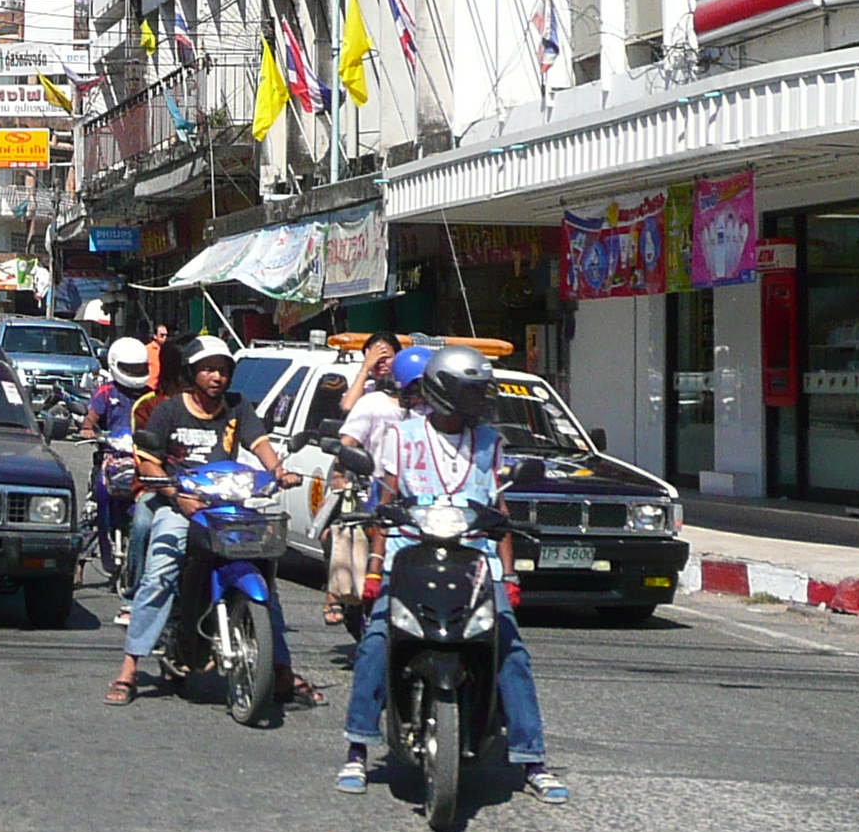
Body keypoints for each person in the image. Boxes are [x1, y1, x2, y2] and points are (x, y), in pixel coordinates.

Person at [336, 345, 568, 803]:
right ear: (444, 393)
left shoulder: (490, 442)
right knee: (377, 640)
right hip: (409, 557)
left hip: (474, 561)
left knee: (510, 649)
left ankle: (532, 759)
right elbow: (385, 504)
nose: (480, 402)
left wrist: (509, 575)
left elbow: (499, 510)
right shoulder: (402, 437)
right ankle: (358, 747)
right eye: (472, 393)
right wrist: (375, 570)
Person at [107, 335, 313, 707]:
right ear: (192, 373)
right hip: (180, 504)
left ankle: (280, 669)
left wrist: (278, 471)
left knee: (264, 572)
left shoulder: (237, 407)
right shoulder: (169, 410)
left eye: (223, 370)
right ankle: (129, 669)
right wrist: (173, 494)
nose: (217, 377)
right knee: (161, 573)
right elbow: (148, 460)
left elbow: (260, 442)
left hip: (227, 507)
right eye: (208, 369)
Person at [322, 332, 404, 625]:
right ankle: (338, 594)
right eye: (374, 357)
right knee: (337, 534)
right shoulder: (370, 396)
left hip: (415, 490)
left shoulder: (422, 399)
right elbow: (347, 413)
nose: (382, 363)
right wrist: (365, 367)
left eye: (387, 356)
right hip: (370, 483)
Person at [87, 336, 152, 612]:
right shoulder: (105, 393)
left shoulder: (151, 395)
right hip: (109, 461)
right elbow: (89, 420)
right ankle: (82, 559)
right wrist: (89, 431)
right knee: (95, 501)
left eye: (140, 368)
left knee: (148, 512)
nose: (136, 374)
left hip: (140, 464)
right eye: (130, 368)